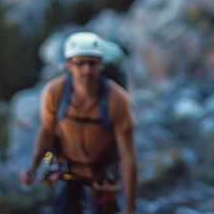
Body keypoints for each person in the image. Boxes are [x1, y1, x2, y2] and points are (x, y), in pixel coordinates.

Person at [20, 32, 137, 214]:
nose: (86, 70)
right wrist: (34, 166)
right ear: (68, 66)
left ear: (101, 65)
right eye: (79, 63)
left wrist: (130, 206)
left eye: (92, 63)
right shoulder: (54, 93)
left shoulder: (118, 100)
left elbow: (127, 155)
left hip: (103, 172)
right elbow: (47, 132)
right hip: (67, 170)